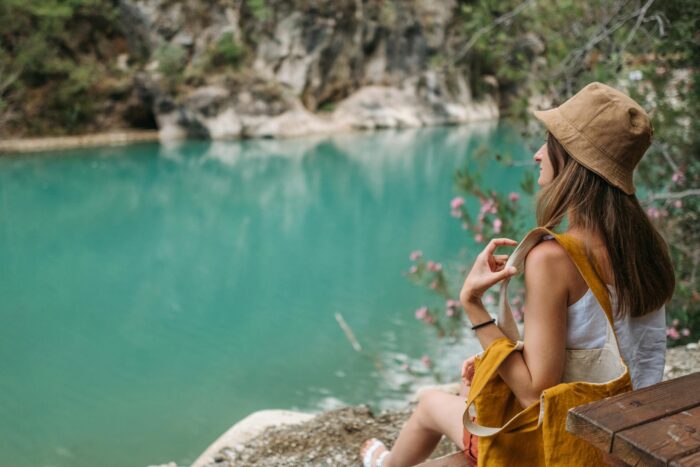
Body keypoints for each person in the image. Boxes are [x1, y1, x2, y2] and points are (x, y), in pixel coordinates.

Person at [359, 82, 675, 467]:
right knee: (449, 437)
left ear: (574, 163)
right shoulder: (648, 249)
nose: (538, 155)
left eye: (549, 145)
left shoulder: (554, 259)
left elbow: (533, 392)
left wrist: (473, 305)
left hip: (569, 448)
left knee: (429, 404)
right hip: (628, 441)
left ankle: (385, 463)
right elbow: (606, 341)